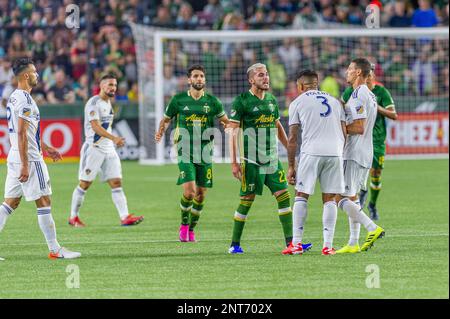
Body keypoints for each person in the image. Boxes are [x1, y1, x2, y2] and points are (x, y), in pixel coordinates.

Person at [0, 58, 80, 260]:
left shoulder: (14, 97)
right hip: (29, 160)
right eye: (34, 72)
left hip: (15, 156)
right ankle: (55, 250)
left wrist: (47, 147)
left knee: (10, 203)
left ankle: (55, 249)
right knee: (44, 201)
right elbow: (21, 133)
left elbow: (27, 133)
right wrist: (27, 165)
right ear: (26, 75)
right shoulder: (26, 100)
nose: (37, 75)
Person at [227, 63, 297, 254]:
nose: (266, 78)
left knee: (284, 197)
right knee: (246, 200)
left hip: (272, 160)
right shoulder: (242, 101)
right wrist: (234, 162)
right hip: (251, 162)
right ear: (251, 80)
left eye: (266, 74)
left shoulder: (272, 100)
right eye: (260, 75)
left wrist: (290, 149)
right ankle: (234, 244)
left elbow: (277, 126)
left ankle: (290, 244)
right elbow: (232, 133)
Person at [155, 64, 229, 242]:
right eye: (195, 76)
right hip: (184, 150)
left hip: (205, 152)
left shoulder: (213, 102)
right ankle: (183, 225)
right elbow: (166, 120)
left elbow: (225, 121)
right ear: (189, 80)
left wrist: (230, 127)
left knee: (201, 193)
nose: (199, 79)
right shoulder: (178, 100)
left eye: (201, 76)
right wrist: (160, 131)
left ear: (205, 79)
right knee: (189, 192)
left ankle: (192, 229)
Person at [283, 70, 346, 256]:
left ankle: (296, 244)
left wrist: (292, 166)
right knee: (330, 199)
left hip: (311, 152)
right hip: (335, 152)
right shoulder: (335, 101)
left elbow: (293, 138)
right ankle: (328, 246)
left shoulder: (297, 102)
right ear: (317, 83)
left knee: (301, 195)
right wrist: (340, 152)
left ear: (300, 86)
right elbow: (345, 132)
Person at [68, 74, 143, 227]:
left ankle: (125, 217)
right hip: (94, 149)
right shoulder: (93, 102)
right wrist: (114, 138)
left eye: (114, 85)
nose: (113, 88)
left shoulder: (108, 103)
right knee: (85, 184)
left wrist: (111, 141)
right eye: (110, 85)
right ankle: (73, 217)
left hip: (109, 149)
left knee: (116, 182)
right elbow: (95, 127)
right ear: (101, 86)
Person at [335, 58, 385, 254]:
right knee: (352, 196)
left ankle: (372, 228)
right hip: (365, 152)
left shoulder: (358, 95)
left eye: (349, 69)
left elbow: (358, 127)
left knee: (339, 197)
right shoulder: (369, 94)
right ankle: (353, 242)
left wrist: (337, 127)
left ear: (358, 73)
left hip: (354, 153)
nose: (346, 72)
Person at [341, 65, 397, 220]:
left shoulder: (380, 92)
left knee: (375, 174)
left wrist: (375, 107)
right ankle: (360, 207)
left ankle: (371, 205)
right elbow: (340, 107)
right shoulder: (351, 91)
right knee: (350, 191)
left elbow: (393, 115)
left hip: (376, 140)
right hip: (358, 141)